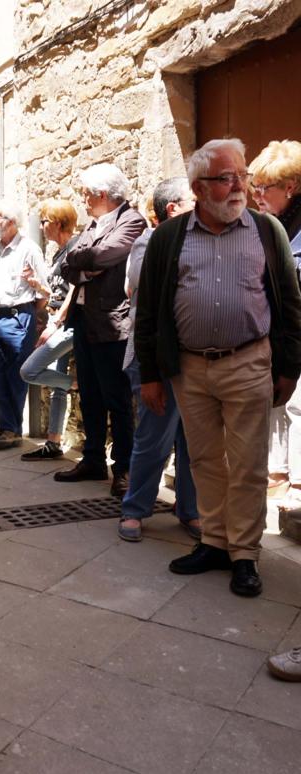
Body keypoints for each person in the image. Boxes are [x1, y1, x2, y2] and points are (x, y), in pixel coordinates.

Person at [136, 138, 301, 597]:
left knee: (248, 465)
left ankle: (244, 554)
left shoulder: (267, 231)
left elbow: (289, 303)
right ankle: (214, 540)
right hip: (190, 368)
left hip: (249, 361)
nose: (238, 187)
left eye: (242, 176)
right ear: (198, 187)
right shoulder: (170, 238)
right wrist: (151, 373)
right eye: (226, 178)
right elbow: (149, 311)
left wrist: (289, 366)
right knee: (205, 460)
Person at [117, 178, 200, 542]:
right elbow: (138, 285)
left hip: (193, 359)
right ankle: (135, 510)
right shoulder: (147, 242)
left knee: (193, 441)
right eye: (194, 200)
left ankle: (191, 510)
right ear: (173, 208)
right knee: (154, 436)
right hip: (154, 357)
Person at [56, 163, 146, 496]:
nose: (82, 200)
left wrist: (81, 259)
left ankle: (124, 468)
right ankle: (92, 458)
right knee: (90, 396)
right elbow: (66, 264)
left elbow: (105, 255)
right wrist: (82, 266)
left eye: (85, 194)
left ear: (102, 195)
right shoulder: (93, 224)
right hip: (83, 322)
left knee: (118, 400)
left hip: (112, 324)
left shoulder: (132, 221)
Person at [247, 141, 301, 505]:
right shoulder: (272, 224)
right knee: (278, 399)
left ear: (290, 187)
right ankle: (279, 472)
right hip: (278, 330)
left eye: (264, 188)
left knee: (299, 405)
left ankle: (298, 484)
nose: (256, 196)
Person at [0, 201, 49, 450]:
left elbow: (43, 291)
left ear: (12, 222)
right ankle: (4, 427)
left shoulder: (29, 249)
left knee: (15, 375)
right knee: (0, 374)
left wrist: (28, 317)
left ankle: (13, 429)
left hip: (18, 317)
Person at [19, 199, 79, 459]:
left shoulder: (76, 247)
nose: (41, 226)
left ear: (57, 222)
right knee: (58, 387)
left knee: (29, 370)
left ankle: (79, 384)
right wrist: (39, 286)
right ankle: (53, 443)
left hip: (67, 324)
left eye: (44, 221)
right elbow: (59, 291)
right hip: (59, 319)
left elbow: (76, 288)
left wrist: (55, 323)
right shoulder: (59, 252)